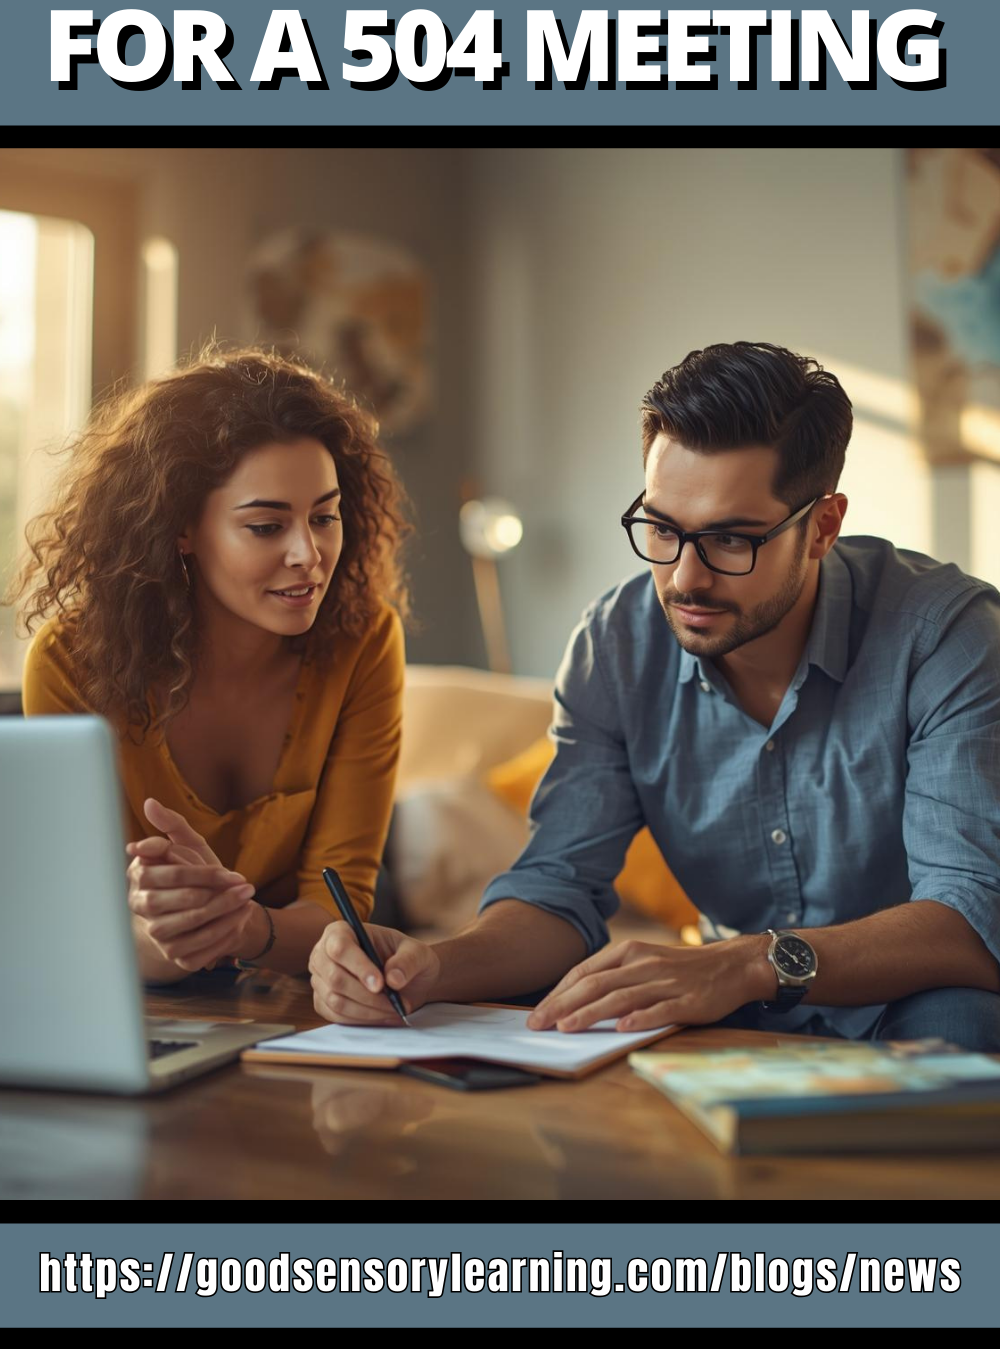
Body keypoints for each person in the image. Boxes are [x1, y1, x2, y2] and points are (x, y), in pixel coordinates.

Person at [308, 341, 1000, 1051]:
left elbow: (973, 916)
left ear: (823, 526)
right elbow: (559, 887)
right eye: (663, 529)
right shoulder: (616, 645)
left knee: (966, 1034)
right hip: (728, 1005)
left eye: (731, 540)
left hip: (910, 1000)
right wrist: (431, 965)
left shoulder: (947, 637)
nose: (684, 579)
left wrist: (745, 963)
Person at [13, 345, 410, 983]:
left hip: (303, 991)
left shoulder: (363, 639)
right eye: (265, 526)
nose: (308, 555)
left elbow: (343, 913)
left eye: (325, 516)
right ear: (180, 529)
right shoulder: (70, 661)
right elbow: (89, 934)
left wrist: (239, 926)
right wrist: (203, 930)